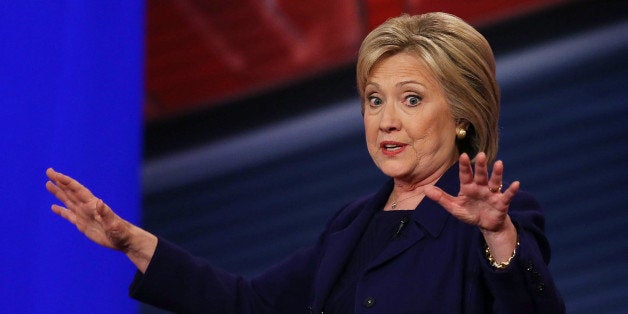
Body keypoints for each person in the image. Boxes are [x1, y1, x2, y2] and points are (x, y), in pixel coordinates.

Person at [45, 12, 565, 313]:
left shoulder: (497, 225)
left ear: (461, 115)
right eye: (373, 99)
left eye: (410, 99)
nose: (384, 121)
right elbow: (248, 306)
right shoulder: (350, 227)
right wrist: (132, 242)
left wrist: (498, 240)